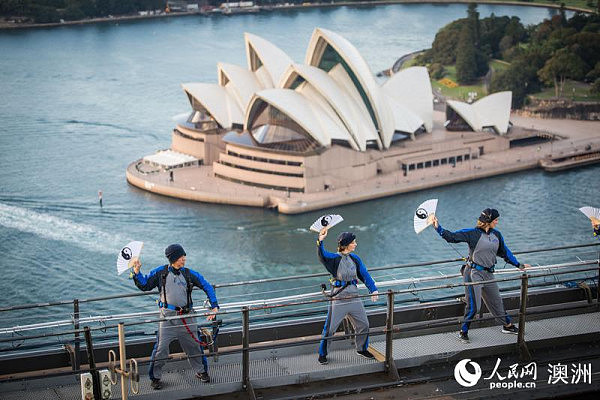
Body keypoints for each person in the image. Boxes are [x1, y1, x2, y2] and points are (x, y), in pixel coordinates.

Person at [429, 208, 531, 343]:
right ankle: (463, 331)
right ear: (488, 221)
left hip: (489, 274)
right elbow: (452, 237)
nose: (497, 222)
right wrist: (438, 227)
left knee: (497, 302)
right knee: (474, 306)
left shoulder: (497, 235)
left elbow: (505, 252)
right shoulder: (472, 234)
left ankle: (507, 326)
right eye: (495, 219)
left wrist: (518, 265)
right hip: (473, 273)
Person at [132, 244, 219, 390]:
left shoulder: (189, 273)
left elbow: (207, 286)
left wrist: (214, 306)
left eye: (184, 256)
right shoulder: (160, 272)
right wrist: (137, 271)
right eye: (181, 256)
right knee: (161, 349)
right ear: (173, 258)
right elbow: (145, 284)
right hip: (167, 318)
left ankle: (201, 372)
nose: (184, 258)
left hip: (187, 317)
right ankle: (155, 377)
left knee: (194, 347)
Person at [316, 228, 379, 365]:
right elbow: (322, 255)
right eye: (354, 242)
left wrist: (373, 289)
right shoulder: (334, 259)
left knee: (364, 325)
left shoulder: (355, 259)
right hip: (339, 299)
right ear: (346, 244)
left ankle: (361, 349)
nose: (356, 244)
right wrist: (320, 241)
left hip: (354, 297)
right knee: (330, 329)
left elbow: (364, 274)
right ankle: (323, 354)